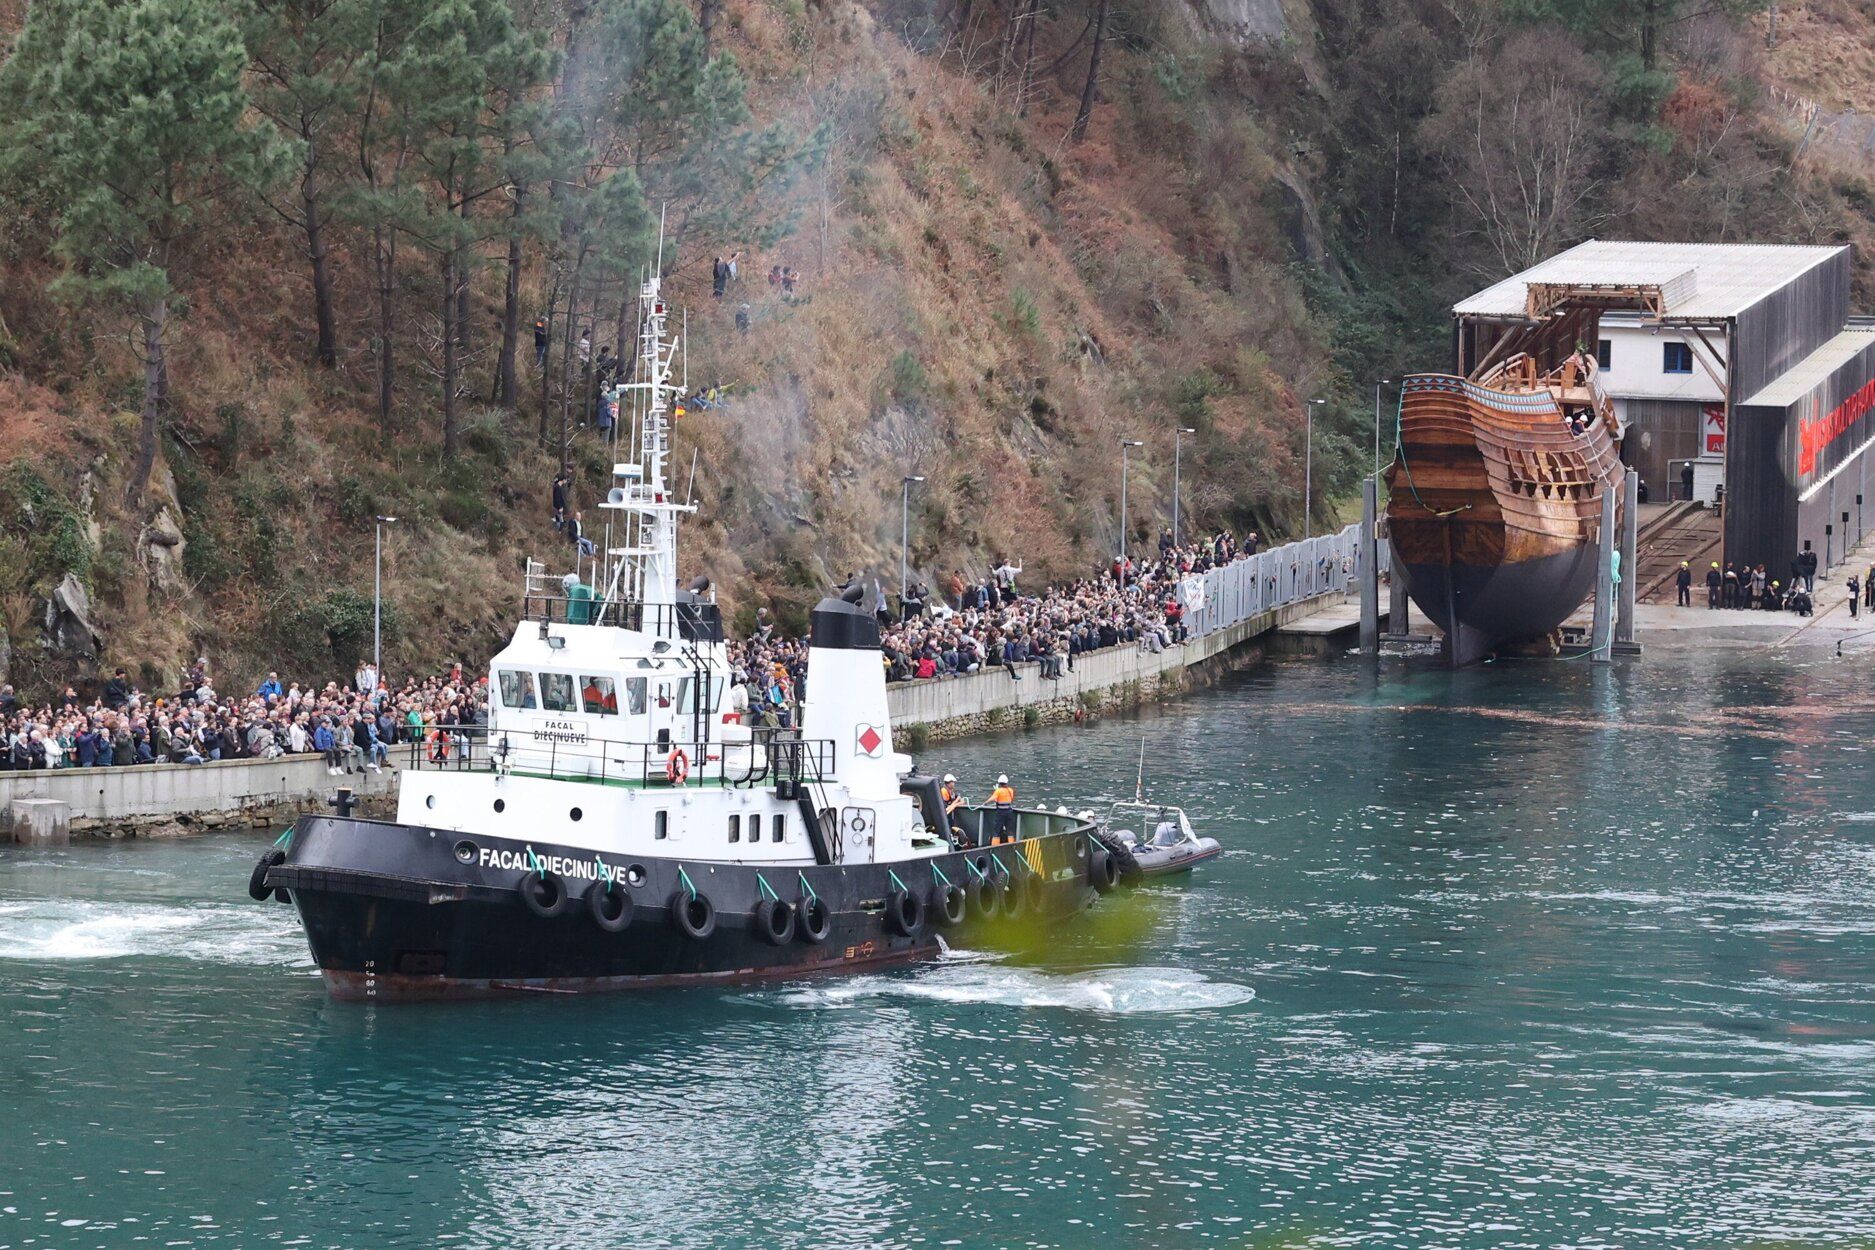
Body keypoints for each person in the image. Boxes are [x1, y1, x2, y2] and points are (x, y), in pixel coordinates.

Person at [988, 773, 1016, 844]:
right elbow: (1011, 799)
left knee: (997, 830)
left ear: (999, 783)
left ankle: (995, 847)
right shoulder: (1010, 790)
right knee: (1010, 830)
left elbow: (994, 798)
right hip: (1009, 812)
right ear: (1006, 782)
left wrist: (985, 802)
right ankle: (1011, 845)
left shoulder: (998, 791)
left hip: (1000, 812)